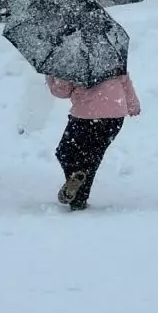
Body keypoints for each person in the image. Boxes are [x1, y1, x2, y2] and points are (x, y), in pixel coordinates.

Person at [46, 72, 141, 211]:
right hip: (115, 116)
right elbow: (125, 80)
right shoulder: (111, 59)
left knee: (65, 153)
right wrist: (132, 104)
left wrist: (51, 77)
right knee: (92, 158)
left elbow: (62, 90)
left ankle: (76, 190)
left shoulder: (72, 62)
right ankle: (79, 196)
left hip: (86, 115)